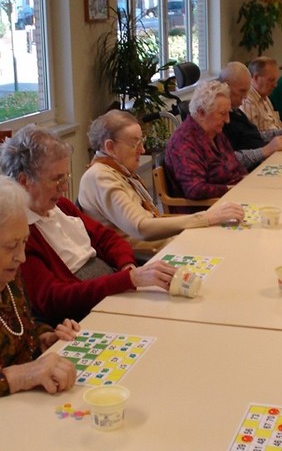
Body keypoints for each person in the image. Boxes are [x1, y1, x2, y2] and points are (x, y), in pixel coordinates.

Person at [0, 125, 176, 325]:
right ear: (24, 181)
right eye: (57, 179)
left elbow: (107, 238)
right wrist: (127, 279)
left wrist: (126, 265)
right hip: (87, 314)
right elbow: (52, 298)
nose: (65, 187)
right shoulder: (19, 234)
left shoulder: (60, 206)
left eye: (65, 177)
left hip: (114, 291)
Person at [78, 110, 244, 252]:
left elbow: (150, 219)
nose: (142, 149)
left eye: (141, 142)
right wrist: (205, 218)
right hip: (148, 255)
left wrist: (204, 220)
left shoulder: (118, 171)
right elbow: (141, 227)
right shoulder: (99, 176)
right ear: (110, 147)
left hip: (162, 244)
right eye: (135, 143)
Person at [0, 175, 77, 397]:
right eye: (11, 246)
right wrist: (19, 376)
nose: (22, 257)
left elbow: (23, 325)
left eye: (24, 242)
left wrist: (45, 338)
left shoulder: (10, 275)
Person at [165, 80, 247, 203]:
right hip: (209, 208)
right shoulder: (183, 142)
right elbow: (195, 189)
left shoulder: (215, 134)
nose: (227, 120)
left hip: (232, 198)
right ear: (201, 112)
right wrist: (230, 189)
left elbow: (238, 168)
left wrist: (248, 182)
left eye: (228, 113)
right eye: (222, 114)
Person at [219, 62, 282, 171]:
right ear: (226, 86)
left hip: (264, 161)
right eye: (242, 91)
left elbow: (254, 135)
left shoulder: (235, 110)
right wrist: (265, 150)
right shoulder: (219, 118)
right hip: (251, 170)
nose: (245, 97)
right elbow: (226, 159)